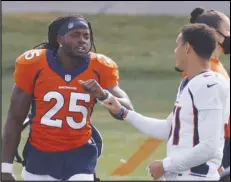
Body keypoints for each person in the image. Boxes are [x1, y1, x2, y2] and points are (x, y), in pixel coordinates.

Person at [1, 14, 133, 181]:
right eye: (75, 35)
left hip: (80, 155)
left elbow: (126, 110)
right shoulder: (35, 64)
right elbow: (14, 119)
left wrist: (103, 95)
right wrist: (5, 168)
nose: (82, 40)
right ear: (59, 39)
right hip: (39, 156)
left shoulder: (99, 67)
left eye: (86, 36)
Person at [98, 23, 230, 180]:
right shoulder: (190, 82)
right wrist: (124, 112)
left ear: (187, 48)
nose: (175, 51)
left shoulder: (209, 85)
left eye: (177, 45)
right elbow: (169, 130)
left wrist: (165, 166)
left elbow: (210, 146)